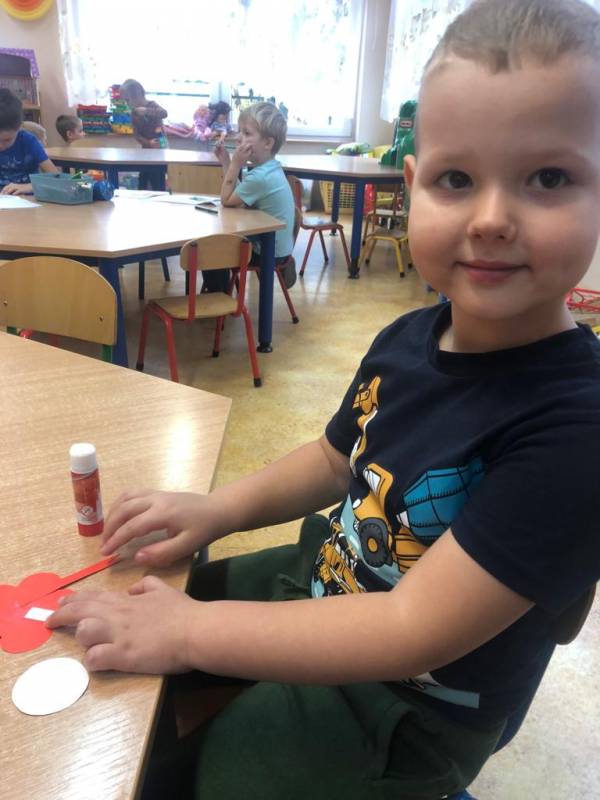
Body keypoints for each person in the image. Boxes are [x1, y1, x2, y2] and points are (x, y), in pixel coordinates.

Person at [48, 1, 600, 798]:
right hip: (325, 576)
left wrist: (194, 634)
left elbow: (410, 630)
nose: (491, 220)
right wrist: (217, 510)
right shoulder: (408, 336)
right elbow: (334, 458)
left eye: (548, 178)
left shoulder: (578, 429)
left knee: (188, 780)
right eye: (456, 179)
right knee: (140, 613)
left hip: (407, 709)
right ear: (413, 186)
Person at [203, 101, 295, 292]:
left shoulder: (260, 177)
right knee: (218, 242)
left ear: (268, 143)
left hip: (267, 252)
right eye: (240, 131)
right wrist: (226, 162)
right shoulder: (269, 169)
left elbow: (227, 201)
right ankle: (219, 293)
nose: (238, 138)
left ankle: (218, 298)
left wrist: (235, 164)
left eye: (246, 133)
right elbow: (237, 197)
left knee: (211, 249)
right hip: (277, 246)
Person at [0, 88, 58, 195]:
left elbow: (56, 177)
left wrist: (30, 187)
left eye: (7, 140)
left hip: (28, 199)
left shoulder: (28, 141)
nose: (1, 146)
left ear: (19, 127)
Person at [119, 78, 168, 190]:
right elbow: (137, 135)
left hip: (160, 148)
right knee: (143, 180)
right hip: (146, 150)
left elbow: (164, 113)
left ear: (138, 96)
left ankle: (159, 195)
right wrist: (148, 143)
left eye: (127, 100)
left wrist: (146, 111)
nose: (127, 104)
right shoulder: (134, 113)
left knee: (157, 179)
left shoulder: (152, 105)